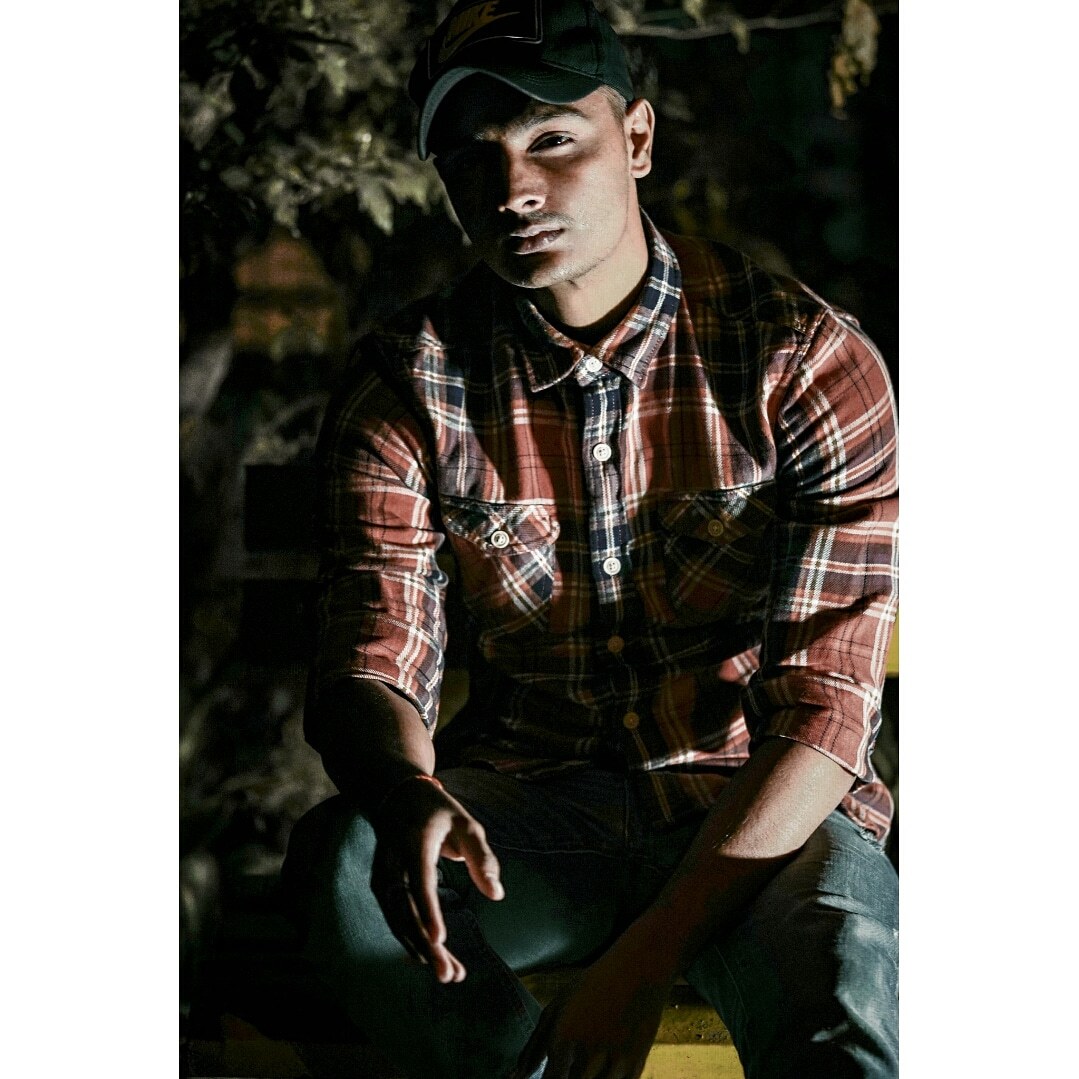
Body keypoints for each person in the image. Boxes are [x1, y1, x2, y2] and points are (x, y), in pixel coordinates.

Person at [282, 2, 899, 1076]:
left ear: (638, 138)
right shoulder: (409, 381)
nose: (512, 188)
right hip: (528, 818)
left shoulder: (798, 357)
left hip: (753, 818)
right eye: (472, 158)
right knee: (346, 860)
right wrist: (403, 788)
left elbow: (823, 712)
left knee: (850, 975)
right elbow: (373, 651)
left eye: (552, 139)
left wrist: (642, 963)